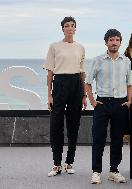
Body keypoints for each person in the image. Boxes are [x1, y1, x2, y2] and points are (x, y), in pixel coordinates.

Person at [85, 29, 132, 184]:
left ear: (120, 42)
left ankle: (114, 170)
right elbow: (87, 82)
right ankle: (96, 172)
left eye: (117, 40)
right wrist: (92, 101)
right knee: (98, 138)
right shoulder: (97, 60)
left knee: (117, 139)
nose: (114, 43)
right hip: (102, 104)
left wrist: (129, 100)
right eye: (111, 40)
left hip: (120, 104)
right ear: (106, 42)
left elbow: (130, 83)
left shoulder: (125, 61)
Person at [43, 16, 87, 177]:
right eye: (67, 25)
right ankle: (56, 164)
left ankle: (69, 162)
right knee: (56, 125)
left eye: (72, 26)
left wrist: (84, 95)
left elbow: (82, 73)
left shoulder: (80, 47)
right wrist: (49, 95)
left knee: (73, 125)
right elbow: (50, 72)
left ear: (75, 29)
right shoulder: (54, 46)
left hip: (76, 84)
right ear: (62, 29)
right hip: (60, 84)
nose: (70, 28)